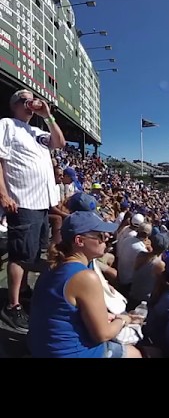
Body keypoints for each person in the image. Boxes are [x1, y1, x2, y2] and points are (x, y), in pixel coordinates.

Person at [27, 211, 142, 358]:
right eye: (101, 236)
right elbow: (102, 335)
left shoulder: (53, 267)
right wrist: (123, 319)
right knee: (136, 353)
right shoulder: (85, 276)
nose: (106, 239)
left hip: (43, 349)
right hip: (68, 354)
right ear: (79, 241)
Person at [0, 89, 66, 332]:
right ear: (16, 104)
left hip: (41, 202)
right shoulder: (7, 124)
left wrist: (48, 115)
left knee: (30, 253)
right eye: (26, 100)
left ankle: (23, 290)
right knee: (19, 255)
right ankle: (12, 306)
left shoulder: (37, 131)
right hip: (22, 200)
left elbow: (59, 143)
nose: (31, 104)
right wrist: (3, 193)